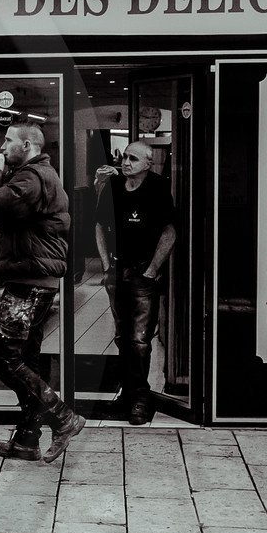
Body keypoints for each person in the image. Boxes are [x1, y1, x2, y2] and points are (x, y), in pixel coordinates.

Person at [0, 123, 86, 463]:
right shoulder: (36, 175)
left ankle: (63, 416)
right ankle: (26, 439)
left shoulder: (31, 177)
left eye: (8, 141)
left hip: (28, 281)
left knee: (5, 358)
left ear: (27, 144)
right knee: (26, 359)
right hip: (34, 279)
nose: (3, 146)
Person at [93, 142, 178, 425]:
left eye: (132, 158)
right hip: (117, 270)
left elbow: (169, 231)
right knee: (121, 336)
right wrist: (106, 266)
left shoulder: (157, 187)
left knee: (140, 339)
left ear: (147, 164)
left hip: (143, 272)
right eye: (124, 157)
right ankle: (127, 395)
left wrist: (153, 269)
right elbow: (99, 225)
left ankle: (140, 398)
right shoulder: (114, 187)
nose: (125, 162)